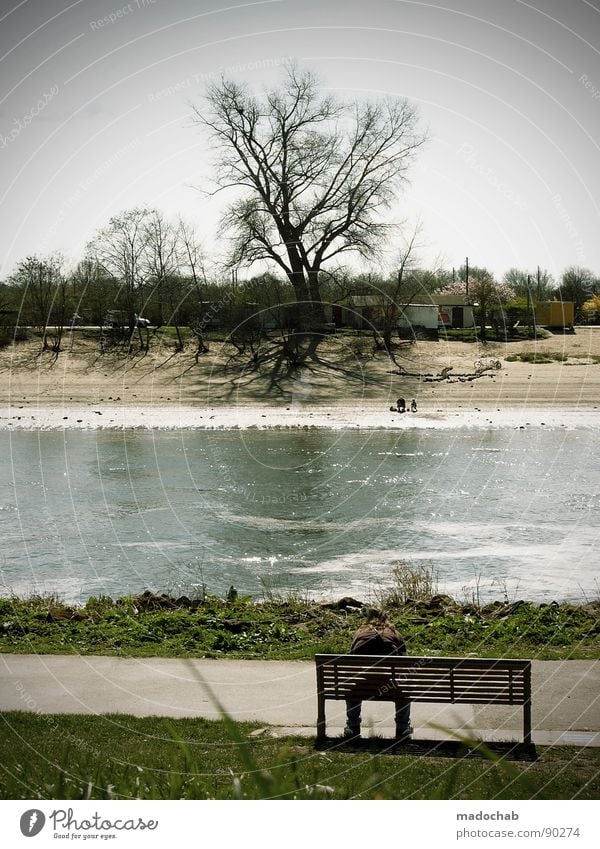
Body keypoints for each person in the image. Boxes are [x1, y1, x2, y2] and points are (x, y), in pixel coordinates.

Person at [344, 608, 412, 741]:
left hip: (363, 687)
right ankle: (402, 728)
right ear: (386, 618)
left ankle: (353, 727)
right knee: (403, 692)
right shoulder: (394, 633)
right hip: (390, 687)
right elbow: (405, 660)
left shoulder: (360, 633)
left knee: (352, 691)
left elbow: (352, 660)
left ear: (368, 619)